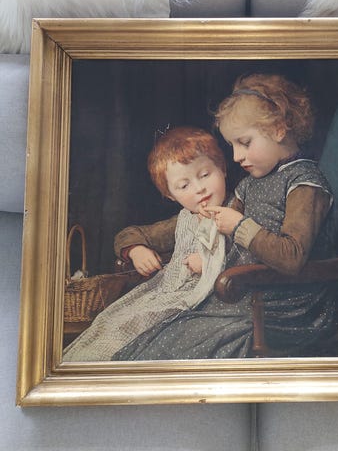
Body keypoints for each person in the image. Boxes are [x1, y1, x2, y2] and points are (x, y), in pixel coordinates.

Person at [112, 73, 338, 361]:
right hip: (248, 294)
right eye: (232, 145)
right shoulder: (249, 184)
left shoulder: (305, 184)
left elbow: (292, 257)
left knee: (194, 339)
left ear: (279, 129)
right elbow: (224, 243)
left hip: (294, 305)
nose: (236, 157)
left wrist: (239, 226)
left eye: (244, 143)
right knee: (166, 332)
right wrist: (207, 258)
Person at [63, 126, 228, 361]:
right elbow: (128, 234)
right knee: (112, 322)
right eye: (184, 186)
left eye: (205, 175)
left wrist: (209, 263)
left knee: (141, 330)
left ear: (222, 168)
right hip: (165, 292)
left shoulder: (236, 212)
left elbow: (244, 255)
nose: (199, 188)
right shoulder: (183, 219)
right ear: (171, 195)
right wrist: (136, 250)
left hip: (201, 300)